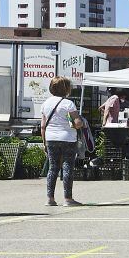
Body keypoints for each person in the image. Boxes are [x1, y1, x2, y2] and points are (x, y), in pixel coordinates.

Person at [41, 76, 84, 207]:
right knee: (67, 167)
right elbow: (77, 123)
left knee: (53, 167)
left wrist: (44, 143)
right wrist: (80, 122)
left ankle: (50, 198)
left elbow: (43, 126)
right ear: (66, 88)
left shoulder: (45, 103)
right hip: (67, 138)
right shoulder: (68, 104)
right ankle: (68, 198)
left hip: (51, 138)